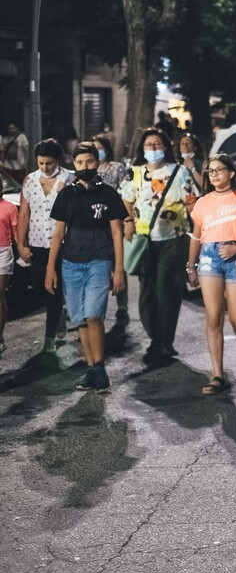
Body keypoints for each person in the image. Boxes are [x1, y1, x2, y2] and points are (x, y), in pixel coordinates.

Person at [46, 143, 127, 392]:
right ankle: (92, 369)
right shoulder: (66, 195)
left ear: (97, 162)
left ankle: (100, 368)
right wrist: (50, 268)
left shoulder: (108, 194)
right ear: (74, 164)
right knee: (80, 318)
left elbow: (117, 232)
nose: (85, 166)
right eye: (80, 162)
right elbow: (58, 234)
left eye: (89, 161)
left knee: (93, 315)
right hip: (71, 264)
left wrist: (118, 269)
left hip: (99, 261)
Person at [186, 154, 236, 395]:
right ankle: (217, 374)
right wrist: (191, 266)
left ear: (231, 173)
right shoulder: (202, 203)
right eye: (211, 171)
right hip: (209, 259)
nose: (214, 174)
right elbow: (196, 236)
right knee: (213, 317)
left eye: (219, 170)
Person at [121, 128, 198, 362]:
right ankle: (156, 336)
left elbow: (192, 204)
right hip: (144, 242)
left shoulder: (180, 172)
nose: (153, 148)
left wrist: (200, 234)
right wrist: (128, 222)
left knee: (167, 292)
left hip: (174, 240)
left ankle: (163, 342)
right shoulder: (134, 173)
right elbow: (125, 200)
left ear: (165, 147)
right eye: (148, 145)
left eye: (157, 144)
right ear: (142, 148)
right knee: (147, 295)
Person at [16, 139, 72, 353]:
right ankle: (60, 314)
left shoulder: (69, 178)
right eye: (41, 163)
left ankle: (50, 339)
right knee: (39, 286)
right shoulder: (29, 180)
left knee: (54, 289)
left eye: (49, 163)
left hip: (62, 243)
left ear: (58, 160)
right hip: (37, 243)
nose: (45, 167)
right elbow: (24, 214)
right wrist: (21, 244)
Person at [93, 135, 130, 323]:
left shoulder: (117, 168)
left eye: (99, 147)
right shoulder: (89, 169)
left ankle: (122, 306)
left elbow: (126, 193)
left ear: (106, 150)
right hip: (95, 224)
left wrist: (127, 220)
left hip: (114, 221)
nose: (97, 151)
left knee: (118, 264)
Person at [0, 173, 17, 354]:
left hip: (3, 252)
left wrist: (24, 250)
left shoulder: (10, 207)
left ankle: (0, 337)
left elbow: (16, 234)